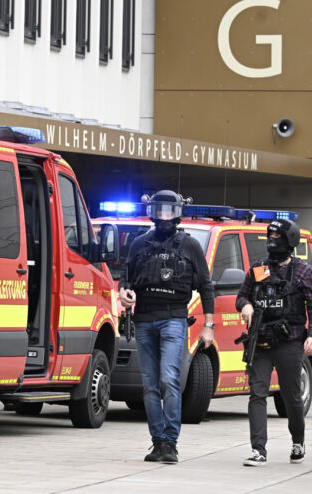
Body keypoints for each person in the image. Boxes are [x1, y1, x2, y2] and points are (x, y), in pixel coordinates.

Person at [119, 190, 215, 464]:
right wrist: (123, 294)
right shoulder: (138, 244)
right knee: (149, 386)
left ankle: (171, 442)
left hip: (174, 319)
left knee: (168, 379)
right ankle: (157, 441)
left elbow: (206, 287)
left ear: (177, 212)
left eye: (168, 211)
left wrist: (209, 326)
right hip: (144, 320)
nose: (163, 216)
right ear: (152, 212)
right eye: (159, 210)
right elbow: (125, 281)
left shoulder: (190, 246)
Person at [236, 218, 312, 466]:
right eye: (269, 238)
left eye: (277, 238)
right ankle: (258, 450)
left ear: (289, 242)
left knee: (291, 396)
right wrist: (246, 305)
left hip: (290, 342)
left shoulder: (303, 271)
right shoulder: (257, 268)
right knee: (257, 393)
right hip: (260, 341)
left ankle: (298, 440)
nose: (272, 243)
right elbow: (242, 296)